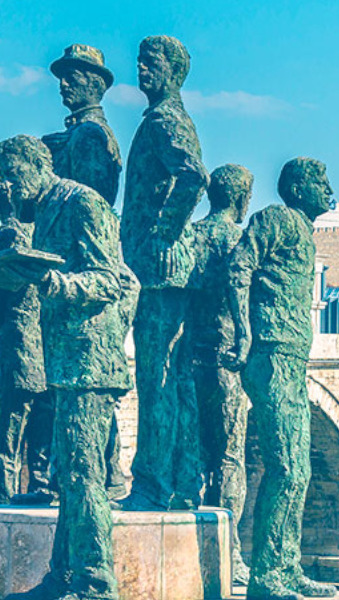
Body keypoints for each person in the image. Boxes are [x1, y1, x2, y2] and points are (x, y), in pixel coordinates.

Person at [0, 135, 139, 600]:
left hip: (90, 361)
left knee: (82, 473)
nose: (11, 188)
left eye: (15, 176)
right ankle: (62, 574)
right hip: (64, 360)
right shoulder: (45, 212)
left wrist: (52, 283)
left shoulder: (83, 203)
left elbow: (111, 279)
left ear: (39, 166)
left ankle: (96, 583)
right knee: (68, 474)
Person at [223, 158, 338, 600]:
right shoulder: (278, 219)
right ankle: (269, 575)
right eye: (321, 182)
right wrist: (245, 332)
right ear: (297, 187)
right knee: (287, 467)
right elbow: (239, 267)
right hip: (271, 353)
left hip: (291, 358)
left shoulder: (302, 231)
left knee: (300, 470)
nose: (329, 189)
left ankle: (285, 567)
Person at [121, 35, 210, 511]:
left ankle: (152, 484)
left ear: (173, 70)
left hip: (158, 270)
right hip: (163, 269)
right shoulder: (161, 119)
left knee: (156, 379)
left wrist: (162, 232)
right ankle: (180, 480)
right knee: (171, 379)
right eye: (138, 60)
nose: (140, 69)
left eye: (150, 62)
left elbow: (194, 175)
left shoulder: (164, 121)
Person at [39, 43, 129, 503]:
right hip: (73, 272)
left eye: (73, 76)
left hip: (83, 269)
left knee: (88, 389)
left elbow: (92, 202)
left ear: (97, 83)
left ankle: (107, 475)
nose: (63, 84)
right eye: (61, 76)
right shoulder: (75, 135)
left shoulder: (91, 136)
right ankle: (98, 475)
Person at [187, 164, 253, 584]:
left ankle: (189, 545)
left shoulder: (190, 236)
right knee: (229, 458)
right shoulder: (239, 241)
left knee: (192, 455)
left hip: (188, 358)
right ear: (243, 200)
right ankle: (228, 552)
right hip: (227, 360)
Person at [0, 166, 56, 506]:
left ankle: (3, 496)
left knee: (8, 434)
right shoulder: (49, 229)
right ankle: (40, 489)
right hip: (51, 348)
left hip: (18, 347)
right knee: (43, 431)